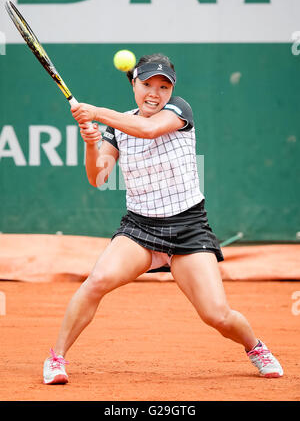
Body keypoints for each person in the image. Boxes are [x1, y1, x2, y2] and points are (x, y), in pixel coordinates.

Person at [43, 53, 283, 384]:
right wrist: (90, 144)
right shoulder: (119, 128)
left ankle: (255, 347)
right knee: (96, 281)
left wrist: (97, 113)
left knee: (217, 315)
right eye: (147, 85)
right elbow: (98, 178)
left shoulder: (178, 111)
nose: (154, 93)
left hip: (189, 230)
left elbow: (148, 130)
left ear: (172, 91)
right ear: (133, 83)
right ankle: (56, 359)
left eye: (163, 86)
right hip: (139, 229)